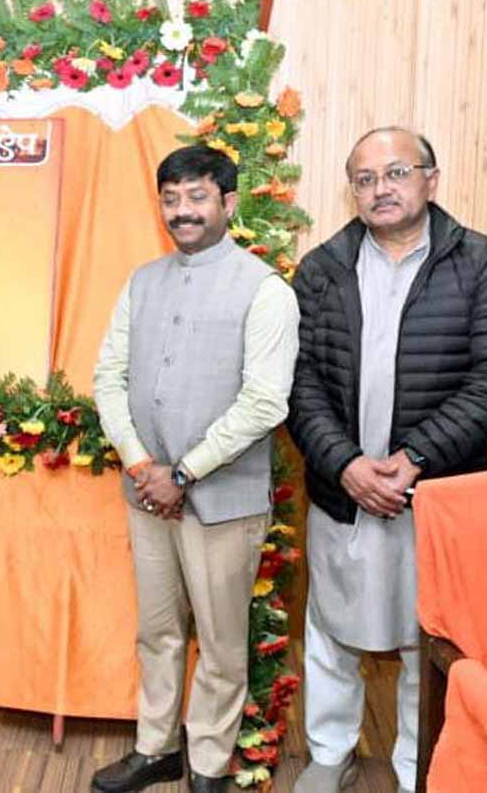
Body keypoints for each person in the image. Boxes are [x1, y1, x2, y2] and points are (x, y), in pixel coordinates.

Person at [288, 127, 487, 793]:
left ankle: (414, 767)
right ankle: (329, 753)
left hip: (437, 496)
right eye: (365, 178)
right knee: (330, 627)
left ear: (431, 179)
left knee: (427, 635)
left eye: (397, 172)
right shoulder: (322, 268)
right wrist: (344, 463)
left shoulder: (482, 263)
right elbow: (299, 381)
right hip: (343, 489)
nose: (381, 188)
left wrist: (416, 457)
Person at [91, 145, 300, 793]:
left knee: (220, 640)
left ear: (228, 203)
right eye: (171, 198)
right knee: (157, 631)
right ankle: (156, 747)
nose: (182, 211)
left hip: (223, 501)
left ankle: (208, 761)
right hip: (148, 493)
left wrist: (181, 473)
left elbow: (264, 402)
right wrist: (142, 464)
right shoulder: (142, 281)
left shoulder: (264, 290)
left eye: (197, 196)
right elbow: (108, 378)